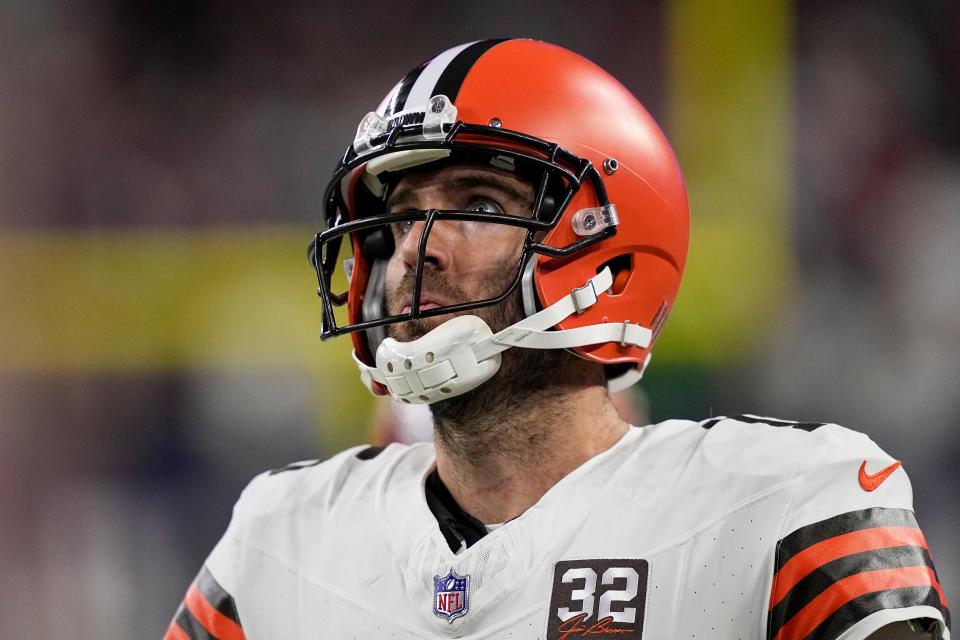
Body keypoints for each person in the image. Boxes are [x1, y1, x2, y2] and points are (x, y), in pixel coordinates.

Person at [164, 39, 950, 640]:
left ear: (605, 248)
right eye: (402, 217)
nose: (417, 249)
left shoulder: (783, 510)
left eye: (475, 202)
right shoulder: (283, 534)